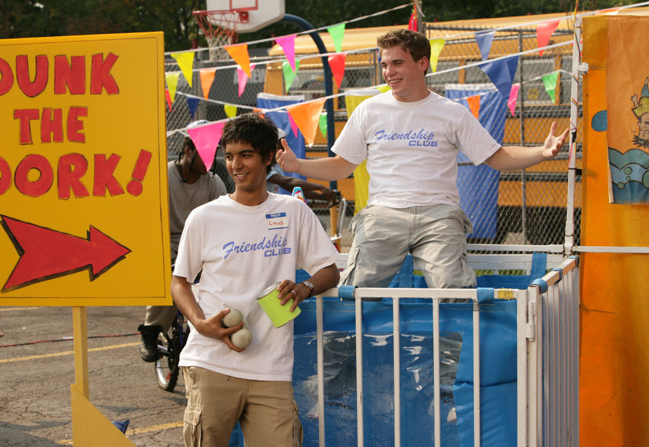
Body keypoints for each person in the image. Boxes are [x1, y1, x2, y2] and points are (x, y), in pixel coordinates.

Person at [276, 28, 568, 290]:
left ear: (422, 63)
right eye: (384, 65)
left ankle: (452, 336)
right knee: (356, 289)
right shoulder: (368, 110)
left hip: (438, 215)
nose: (388, 72)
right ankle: (363, 336)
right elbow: (343, 164)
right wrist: (298, 165)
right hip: (383, 213)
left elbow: (497, 156)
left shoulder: (452, 112)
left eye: (397, 63)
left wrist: (541, 153)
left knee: (454, 289)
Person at [171, 113, 339, 446]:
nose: (236, 165)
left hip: (271, 369)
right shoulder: (204, 217)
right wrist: (200, 323)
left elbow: (329, 270)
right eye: (229, 156)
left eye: (246, 155)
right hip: (210, 361)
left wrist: (304, 288)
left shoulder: (293, 212)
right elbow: (180, 282)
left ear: (267, 157)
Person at [138, 123, 227, 362]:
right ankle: (151, 330)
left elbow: (224, 219)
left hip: (200, 244)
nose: (210, 160)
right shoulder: (163, 176)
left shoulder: (213, 182)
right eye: (205, 152)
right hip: (163, 240)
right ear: (188, 150)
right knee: (174, 279)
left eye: (214, 153)